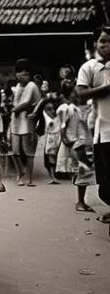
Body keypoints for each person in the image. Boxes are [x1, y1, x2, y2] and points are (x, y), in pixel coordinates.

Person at [76, 26, 110, 223]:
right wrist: (105, 88)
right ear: (95, 44)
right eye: (103, 41)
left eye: (109, 41)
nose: (106, 45)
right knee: (105, 182)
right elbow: (81, 94)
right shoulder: (89, 68)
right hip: (102, 132)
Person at [56, 80, 94, 212]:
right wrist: (65, 138)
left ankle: (81, 201)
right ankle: (80, 202)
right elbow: (63, 125)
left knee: (82, 170)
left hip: (82, 141)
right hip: (77, 142)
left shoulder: (81, 107)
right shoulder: (69, 108)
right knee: (83, 170)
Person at [9, 59, 42, 186]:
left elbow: (28, 103)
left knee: (28, 151)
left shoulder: (32, 86)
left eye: (23, 74)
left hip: (27, 122)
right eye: (18, 74)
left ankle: (28, 176)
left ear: (28, 74)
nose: (20, 77)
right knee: (15, 150)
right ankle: (20, 172)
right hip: (16, 121)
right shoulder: (17, 87)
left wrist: (14, 109)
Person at [35, 97, 61, 184]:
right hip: (46, 141)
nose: (52, 111)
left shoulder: (58, 118)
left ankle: (54, 176)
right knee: (49, 159)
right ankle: (52, 176)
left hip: (56, 140)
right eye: (49, 109)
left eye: (53, 109)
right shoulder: (43, 120)